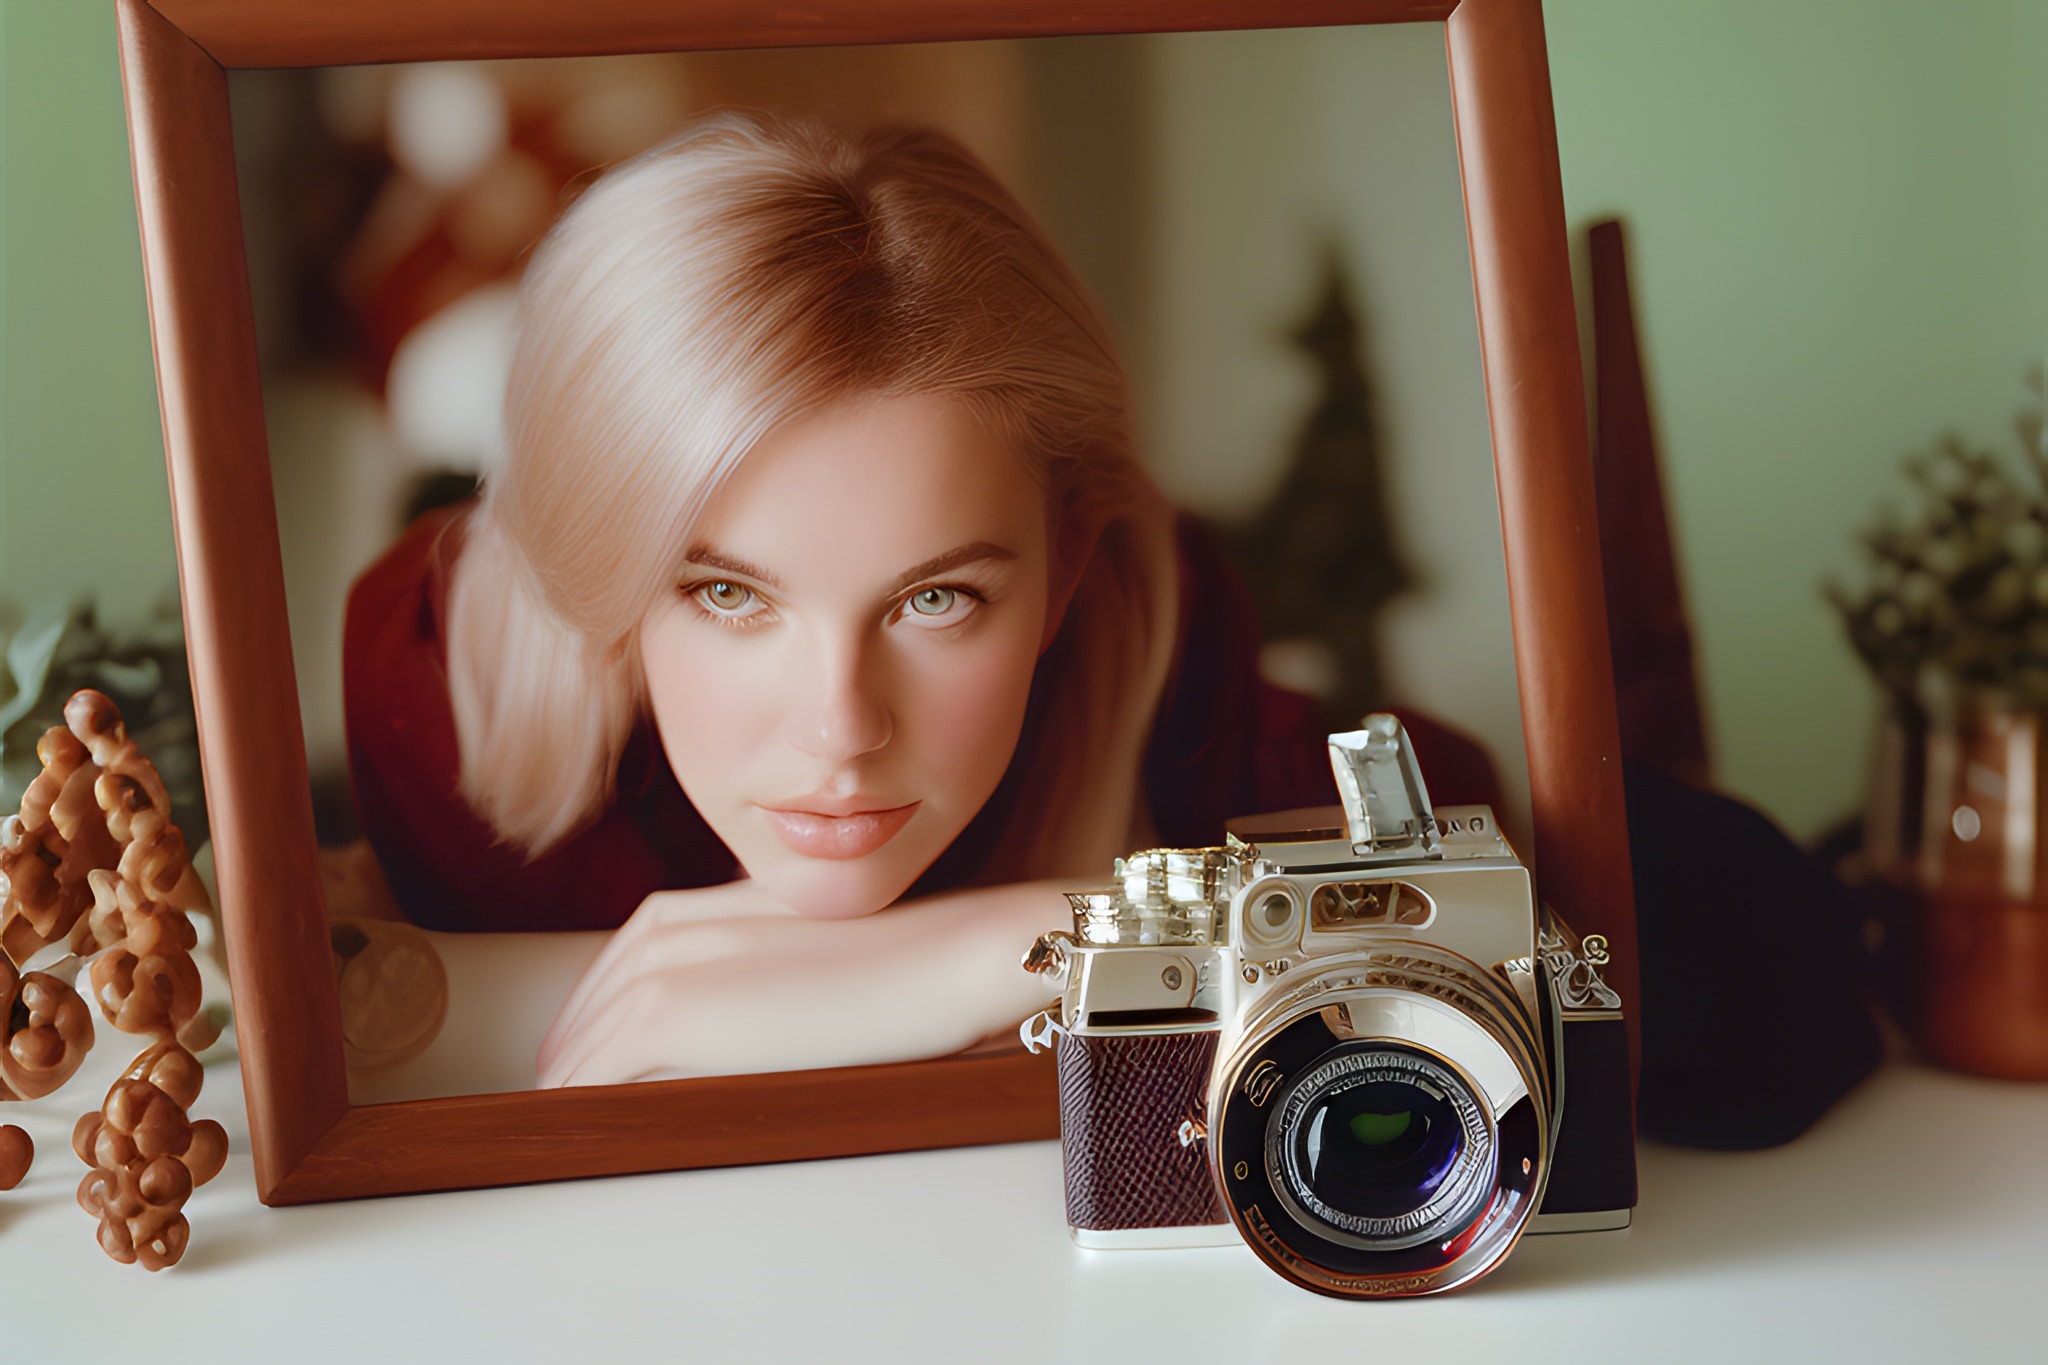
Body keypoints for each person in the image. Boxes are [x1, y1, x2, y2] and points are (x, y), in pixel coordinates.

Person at [343, 112, 1501, 1088]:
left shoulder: (1153, 648)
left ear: (1063, 567)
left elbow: (1481, 897)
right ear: (602, 569)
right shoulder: (438, 685)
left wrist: (1010, 945)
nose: (841, 729)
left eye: (936, 600)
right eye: (729, 595)